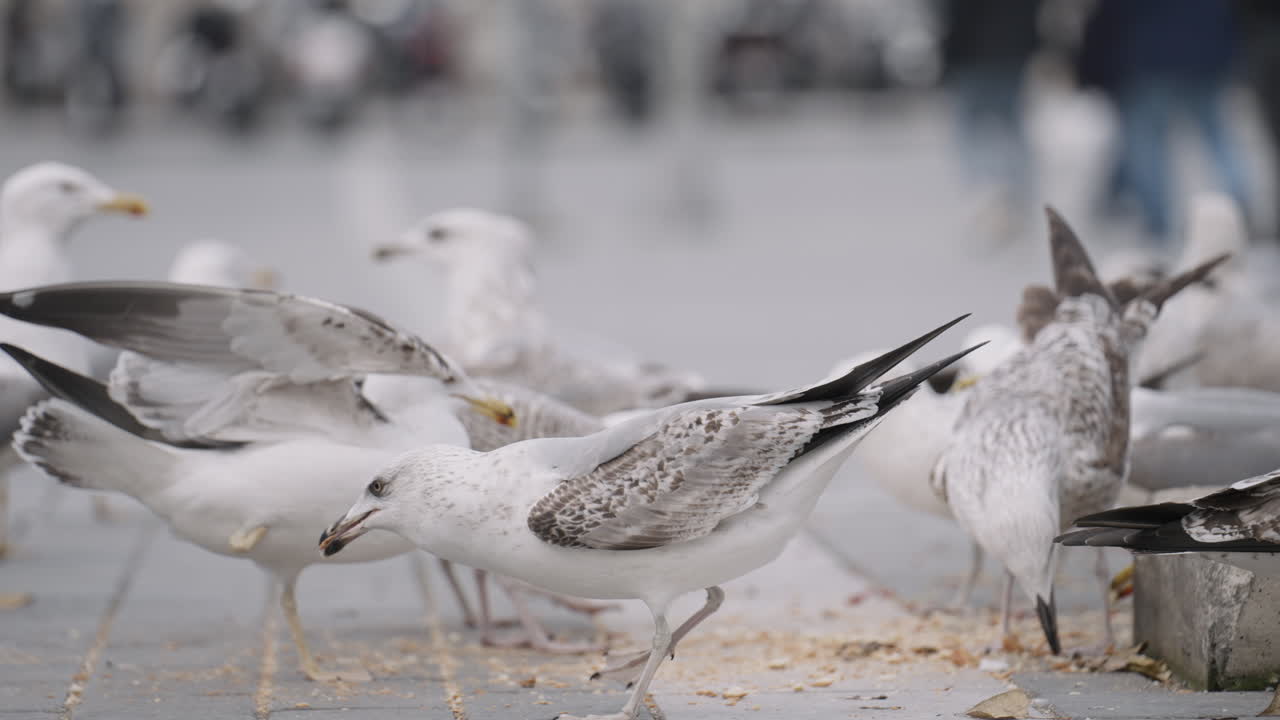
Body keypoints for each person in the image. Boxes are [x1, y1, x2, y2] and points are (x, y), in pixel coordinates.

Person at [1080, 0, 1252, 245]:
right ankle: (1238, 206)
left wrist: (1093, 66)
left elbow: (1111, 15)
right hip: (1204, 54)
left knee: (1148, 146)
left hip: (1148, 58)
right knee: (1216, 136)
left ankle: (1157, 222)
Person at [939, 0, 1043, 240]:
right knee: (1012, 127)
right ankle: (1016, 196)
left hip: (972, 55)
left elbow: (956, 13)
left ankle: (985, 197)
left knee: (970, 129)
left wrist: (948, 52)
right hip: (1012, 52)